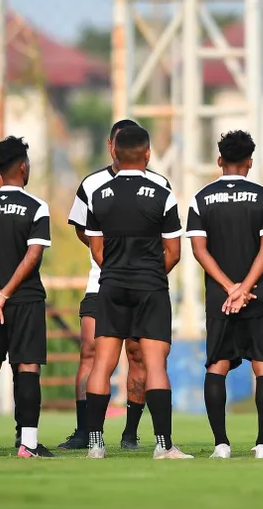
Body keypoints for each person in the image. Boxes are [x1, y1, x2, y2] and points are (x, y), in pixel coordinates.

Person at [82, 126, 192, 459]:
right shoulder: (162, 193)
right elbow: (173, 252)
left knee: (102, 363)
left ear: (114, 152)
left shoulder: (98, 194)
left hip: (111, 285)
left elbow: (95, 247)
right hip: (151, 287)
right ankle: (163, 446)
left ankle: (95, 444)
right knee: (155, 365)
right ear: (147, 154)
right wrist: (150, 275)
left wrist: (116, 271)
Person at [60, 119, 167, 451]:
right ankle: (86, 431)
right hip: (102, 282)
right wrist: (112, 261)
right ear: (111, 146)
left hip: (138, 282)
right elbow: (83, 229)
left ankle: (130, 432)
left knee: (137, 355)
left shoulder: (158, 185)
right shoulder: (92, 185)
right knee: (91, 352)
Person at [186, 130, 263, 459]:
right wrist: (245, 287)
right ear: (250, 162)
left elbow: (200, 250)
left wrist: (229, 288)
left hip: (219, 298)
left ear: (219, 160)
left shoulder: (200, 199)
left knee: (217, 365)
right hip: (259, 294)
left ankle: (221, 445)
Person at [0, 136, 54, 458]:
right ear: (22, 166)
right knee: (27, 368)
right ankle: (27, 444)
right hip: (25, 299)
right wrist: (6, 294)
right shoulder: (35, 206)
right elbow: (33, 256)